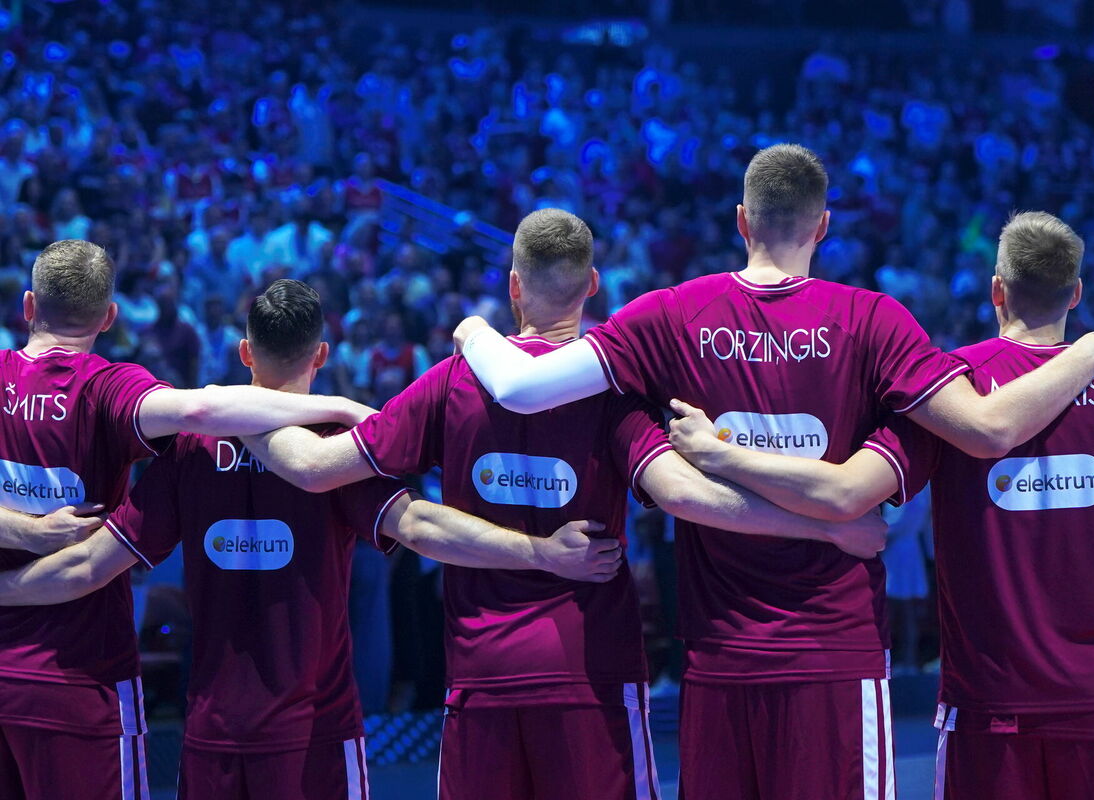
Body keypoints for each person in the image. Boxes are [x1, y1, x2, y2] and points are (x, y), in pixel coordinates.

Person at [450, 146, 1094, 799]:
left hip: (718, 655)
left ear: (741, 220)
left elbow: (520, 389)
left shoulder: (670, 315)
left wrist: (474, 330)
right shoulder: (873, 320)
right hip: (836, 653)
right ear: (823, 225)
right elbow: (988, 427)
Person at [242, 209, 886, 800]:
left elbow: (313, 467)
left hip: (481, 676)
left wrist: (238, 403)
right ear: (593, 285)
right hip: (592, 675)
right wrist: (826, 529)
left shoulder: (451, 381)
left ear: (514, 284)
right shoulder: (613, 395)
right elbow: (688, 496)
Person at [0, 278, 630, 800]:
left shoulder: (188, 453)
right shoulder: (340, 453)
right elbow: (424, 526)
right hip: (316, 738)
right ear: (321, 355)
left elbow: (86, 565)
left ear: (245, 352)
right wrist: (540, 551)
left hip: (211, 735)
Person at [667, 212, 1094, 800]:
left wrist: (722, 451)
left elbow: (846, 491)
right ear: (1075, 293)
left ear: (996, 290)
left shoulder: (952, 386)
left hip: (986, 711)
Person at [0, 240, 376, 800]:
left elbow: (87, 562)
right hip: (88, 678)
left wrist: (19, 536)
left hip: (191, 726)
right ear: (109, 317)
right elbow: (200, 409)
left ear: (29, 306)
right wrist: (343, 409)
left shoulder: (187, 450)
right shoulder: (110, 388)